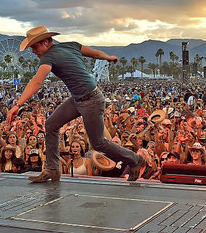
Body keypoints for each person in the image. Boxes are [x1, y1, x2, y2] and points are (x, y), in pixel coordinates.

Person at [13, 26, 145, 182]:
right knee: (51, 124)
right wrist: (108, 57)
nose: (34, 51)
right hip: (78, 98)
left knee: (98, 143)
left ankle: (135, 160)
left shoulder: (48, 57)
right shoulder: (71, 45)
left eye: (35, 47)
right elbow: (96, 54)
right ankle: (52, 169)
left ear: (46, 42)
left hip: (91, 100)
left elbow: (37, 81)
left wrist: (18, 105)